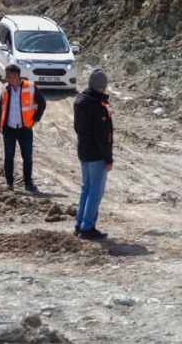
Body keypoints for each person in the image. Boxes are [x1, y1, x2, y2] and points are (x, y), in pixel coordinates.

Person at [73, 68, 114, 240]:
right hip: (96, 154)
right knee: (95, 192)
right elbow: (102, 137)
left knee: (86, 188)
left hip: (83, 150)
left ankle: (80, 223)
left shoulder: (80, 100)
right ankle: (87, 227)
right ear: (103, 86)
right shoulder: (98, 107)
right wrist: (108, 158)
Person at [0, 64, 46, 192]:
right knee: (8, 156)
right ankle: (9, 183)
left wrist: (35, 120)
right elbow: (1, 106)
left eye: (8, 76)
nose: (6, 78)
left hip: (25, 129)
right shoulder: (5, 88)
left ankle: (28, 183)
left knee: (27, 157)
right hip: (9, 128)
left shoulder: (30, 87)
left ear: (16, 76)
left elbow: (42, 103)